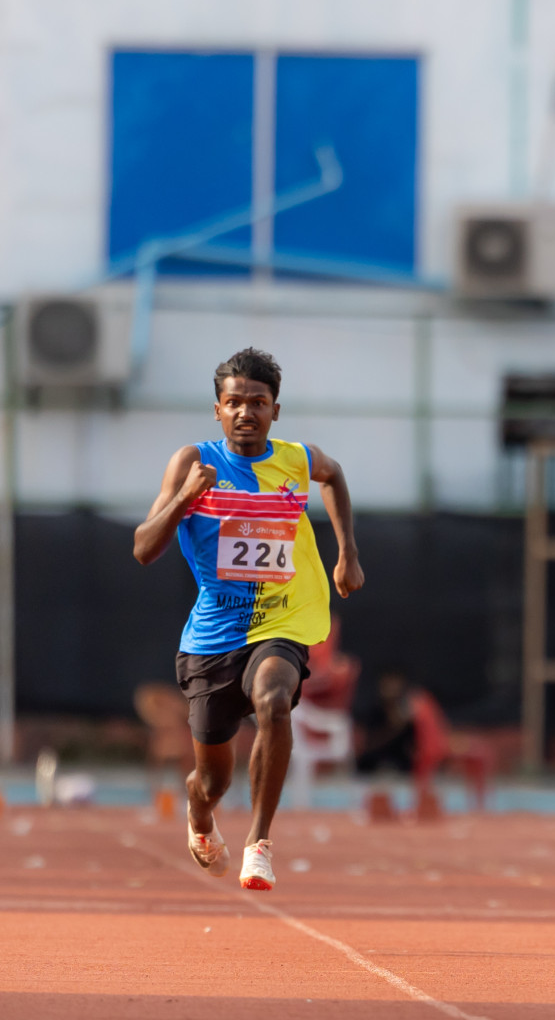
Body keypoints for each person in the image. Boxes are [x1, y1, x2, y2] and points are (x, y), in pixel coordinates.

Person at [133, 348, 363, 891]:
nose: (245, 412)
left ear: (274, 411)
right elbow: (143, 548)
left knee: (274, 698)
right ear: (218, 409)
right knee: (211, 780)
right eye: (234, 402)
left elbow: (334, 475)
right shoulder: (192, 460)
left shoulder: (296, 460)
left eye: (257, 402)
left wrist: (347, 552)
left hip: (281, 619)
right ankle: (199, 813)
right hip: (213, 636)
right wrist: (186, 496)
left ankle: (259, 844)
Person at [355, 670, 418, 776]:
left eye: (395, 684)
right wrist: (393, 728)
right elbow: (363, 747)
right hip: (370, 771)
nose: (391, 689)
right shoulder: (370, 714)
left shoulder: (411, 718)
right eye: (387, 684)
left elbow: (415, 750)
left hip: (402, 772)